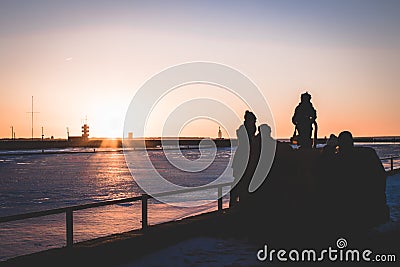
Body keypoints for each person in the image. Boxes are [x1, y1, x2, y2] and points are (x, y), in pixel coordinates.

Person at [230, 110, 257, 208]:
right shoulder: (244, 132)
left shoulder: (245, 131)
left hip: (246, 159)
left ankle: (239, 202)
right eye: (253, 122)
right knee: (240, 182)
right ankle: (235, 203)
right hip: (243, 160)